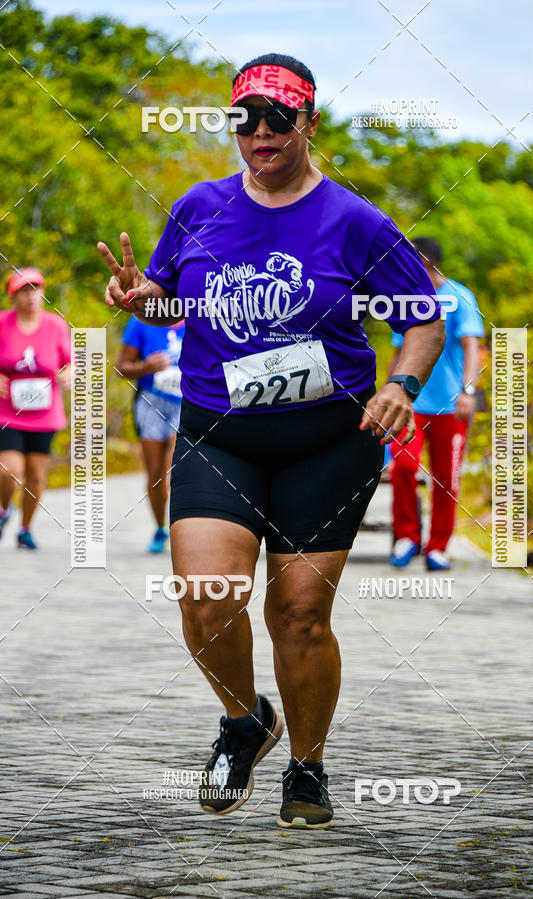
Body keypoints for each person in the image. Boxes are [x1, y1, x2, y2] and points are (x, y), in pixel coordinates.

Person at [98, 53, 444, 829]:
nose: (261, 131)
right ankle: (244, 719)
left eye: (279, 116)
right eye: (244, 117)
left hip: (330, 442)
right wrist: (139, 297)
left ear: (309, 122)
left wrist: (401, 384)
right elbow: (170, 302)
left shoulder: (356, 222)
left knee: (299, 615)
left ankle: (307, 767)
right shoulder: (199, 207)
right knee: (207, 599)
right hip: (219, 436)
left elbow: (422, 319)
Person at [388, 237, 484, 571]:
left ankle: (438, 547)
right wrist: (389, 391)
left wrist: (468, 391)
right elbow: (399, 352)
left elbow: (471, 347)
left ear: (427, 263)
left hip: (451, 406)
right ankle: (407, 536)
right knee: (403, 466)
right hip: (412, 404)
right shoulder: (410, 299)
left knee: (447, 477)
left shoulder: (460, 297)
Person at [0, 268, 71, 549]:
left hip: (45, 415)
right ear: (13, 296)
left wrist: (68, 374)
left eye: (35, 290)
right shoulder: (2, 323)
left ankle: (25, 529)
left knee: (36, 476)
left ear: (42, 293)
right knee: (9, 470)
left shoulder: (55, 325)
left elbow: (70, 361)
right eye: (24, 291)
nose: (31, 296)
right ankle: (4, 510)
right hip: (7, 412)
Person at [116, 318, 185, 553]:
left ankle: (182, 530)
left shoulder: (199, 315)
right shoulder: (140, 322)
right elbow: (121, 367)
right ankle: (160, 527)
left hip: (185, 403)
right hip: (150, 402)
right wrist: (145, 367)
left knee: (173, 467)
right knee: (156, 474)